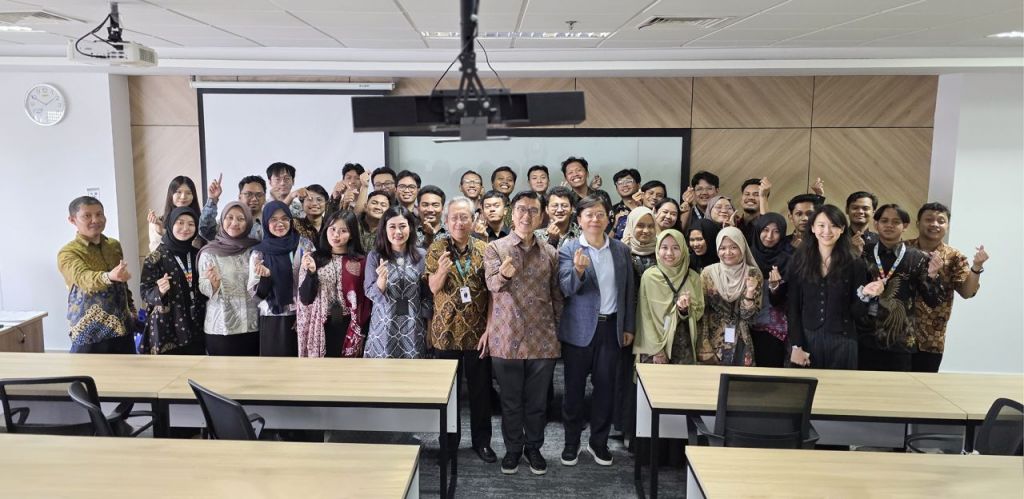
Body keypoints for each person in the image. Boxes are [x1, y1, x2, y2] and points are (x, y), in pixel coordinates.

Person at [481, 190, 563, 476]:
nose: (526, 215)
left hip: (543, 339)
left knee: (538, 403)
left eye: (533, 210)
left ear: (541, 217)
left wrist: (557, 331)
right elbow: (492, 285)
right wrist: (504, 274)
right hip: (507, 337)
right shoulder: (495, 248)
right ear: (511, 214)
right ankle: (513, 449)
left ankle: (534, 448)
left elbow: (557, 296)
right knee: (511, 401)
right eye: (521, 210)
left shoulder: (550, 252)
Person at [558, 194, 636, 467]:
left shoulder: (621, 250)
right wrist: (578, 271)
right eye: (589, 215)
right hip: (578, 331)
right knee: (574, 391)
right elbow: (565, 289)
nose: (595, 219)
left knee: (605, 389)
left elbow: (628, 291)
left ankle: (598, 442)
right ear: (579, 220)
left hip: (611, 328)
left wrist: (628, 326)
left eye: (600, 214)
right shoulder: (569, 249)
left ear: (608, 218)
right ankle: (571, 443)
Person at [425, 197, 495, 463]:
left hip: (477, 334)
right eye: (454, 217)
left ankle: (482, 443)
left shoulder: (485, 249)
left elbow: (493, 294)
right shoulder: (437, 248)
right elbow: (433, 288)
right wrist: (442, 271)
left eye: (464, 217)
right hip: (446, 334)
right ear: (446, 221)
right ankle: (448, 444)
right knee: (448, 393)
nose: (459, 222)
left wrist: (489, 329)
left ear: (473, 219)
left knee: (481, 392)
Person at [785, 206, 877, 370]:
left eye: (834, 225)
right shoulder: (799, 261)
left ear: (842, 229)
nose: (827, 231)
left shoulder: (855, 263)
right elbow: (792, 308)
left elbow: (858, 313)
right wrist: (796, 345)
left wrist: (865, 295)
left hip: (843, 341)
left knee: (840, 386)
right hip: (807, 339)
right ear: (813, 228)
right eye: (821, 225)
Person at [858, 204, 944, 372]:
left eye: (896, 222)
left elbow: (933, 301)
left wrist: (933, 276)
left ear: (905, 226)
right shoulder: (863, 253)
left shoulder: (917, 258)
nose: (889, 225)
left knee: (897, 387)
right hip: (864, 337)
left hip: (900, 340)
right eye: (884, 221)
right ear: (876, 224)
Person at [906, 202, 987, 372]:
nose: (935, 224)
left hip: (931, 338)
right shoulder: (903, 249)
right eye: (929, 219)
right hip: (896, 335)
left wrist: (977, 267)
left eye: (941, 221)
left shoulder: (954, 257)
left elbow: (967, 292)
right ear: (918, 223)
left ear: (947, 226)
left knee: (922, 386)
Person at [58, 196, 137, 354]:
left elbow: (122, 283)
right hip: (89, 333)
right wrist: (108, 277)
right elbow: (83, 278)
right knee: (87, 370)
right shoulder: (68, 252)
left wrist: (132, 310)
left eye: (99, 214)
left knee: (127, 369)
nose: (95, 220)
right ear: (72, 220)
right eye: (87, 216)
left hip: (122, 327)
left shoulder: (113, 245)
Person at [297, 210, 370, 358]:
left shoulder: (361, 261)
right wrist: (311, 273)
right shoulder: (313, 258)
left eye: (343, 231)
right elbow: (305, 299)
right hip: (320, 324)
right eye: (332, 229)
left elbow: (366, 300)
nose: (336, 235)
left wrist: (362, 330)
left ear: (352, 234)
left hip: (351, 324)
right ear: (326, 230)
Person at [614, 206, 658, 442]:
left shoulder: (662, 251)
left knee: (646, 374)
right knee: (623, 375)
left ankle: (645, 428)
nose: (646, 231)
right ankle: (624, 426)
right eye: (640, 225)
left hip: (652, 323)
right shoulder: (620, 251)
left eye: (650, 226)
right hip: (626, 322)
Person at [364, 206, 431, 359]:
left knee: (412, 372)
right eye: (392, 227)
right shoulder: (375, 256)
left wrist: (429, 327)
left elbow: (427, 296)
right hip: (383, 328)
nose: (398, 232)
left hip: (413, 328)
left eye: (402, 226)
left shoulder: (421, 255)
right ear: (384, 229)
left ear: (411, 228)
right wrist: (381, 282)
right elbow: (369, 293)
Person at [197, 201, 261, 356]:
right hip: (221, 327)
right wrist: (213, 285)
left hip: (253, 326)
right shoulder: (210, 252)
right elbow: (203, 287)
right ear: (222, 220)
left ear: (248, 222)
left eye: (241, 219)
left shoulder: (255, 249)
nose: (234, 223)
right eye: (229, 217)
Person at [140, 207, 207, 355]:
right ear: (170, 225)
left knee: (197, 365)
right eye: (180, 223)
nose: (185, 228)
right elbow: (145, 292)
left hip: (196, 323)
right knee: (169, 368)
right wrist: (159, 291)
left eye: (191, 224)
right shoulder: (155, 257)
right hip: (167, 326)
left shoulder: (198, 254)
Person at [634, 229, 705, 365]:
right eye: (664, 247)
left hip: (683, 347)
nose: (669, 253)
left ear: (683, 249)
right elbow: (644, 316)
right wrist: (657, 350)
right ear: (657, 249)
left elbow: (699, 312)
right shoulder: (649, 277)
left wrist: (684, 310)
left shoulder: (693, 277)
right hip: (653, 347)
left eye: (675, 248)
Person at [697, 227, 762, 366]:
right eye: (723, 248)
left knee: (739, 379)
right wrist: (704, 344)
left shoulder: (753, 274)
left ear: (742, 247)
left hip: (741, 340)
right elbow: (702, 313)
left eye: (734, 247)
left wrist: (749, 293)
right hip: (712, 342)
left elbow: (751, 318)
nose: (728, 252)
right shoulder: (708, 273)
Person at [249, 200, 306, 357]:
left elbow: (314, 282)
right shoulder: (259, 253)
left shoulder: (304, 245)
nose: (279, 223)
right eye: (273, 219)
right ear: (266, 223)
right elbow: (257, 296)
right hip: (273, 317)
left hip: (302, 316)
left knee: (300, 365)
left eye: (284, 218)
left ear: (291, 220)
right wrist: (266, 278)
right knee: (274, 365)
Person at [748, 213, 791, 367]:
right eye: (765, 230)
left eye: (776, 231)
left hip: (772, 331)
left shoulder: (788, 259)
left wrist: (775, 287)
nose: (769, 236)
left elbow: (788, 299)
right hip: (746, 327)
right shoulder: (747, 256)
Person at [199, 175, 266, 242]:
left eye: (259, 195)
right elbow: (205, 231)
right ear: (239, 197)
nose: (254, 199)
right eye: (248, 194)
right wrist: (212, 199)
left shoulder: (269, 224)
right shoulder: (227, 222)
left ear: (265, 197)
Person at [147, 176, 201, 252]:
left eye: (188, 193)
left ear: (193, 196)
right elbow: (155, 252)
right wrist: (159, 230)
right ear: (171, 194)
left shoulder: (201, 221)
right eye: (179, 192)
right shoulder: (157, 221)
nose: (183, 197)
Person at [846, 191, 880, 255]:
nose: (860, 211)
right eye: (855, 208)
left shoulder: (881, 241)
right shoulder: (836, 238)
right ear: (847, 210)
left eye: (865, 208)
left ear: (873, 212)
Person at [610, 168, 641, 239]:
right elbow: (605, 239)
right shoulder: (612, 211)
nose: (624, 185)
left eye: (629, 181)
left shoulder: (646, 207)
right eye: (620, 183)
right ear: (617, 189)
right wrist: (615, 225)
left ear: (638, 185)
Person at [358, 190, 392, 255]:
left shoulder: (390, 230)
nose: (378, 207)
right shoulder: (353, 224)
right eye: (374, 203)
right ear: (365, 206)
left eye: (383, 205)